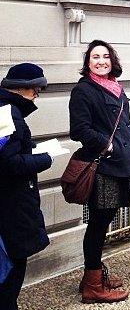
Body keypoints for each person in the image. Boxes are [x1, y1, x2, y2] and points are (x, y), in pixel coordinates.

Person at [68, 40, 130, 303]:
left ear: (113, 61)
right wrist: (107, 145)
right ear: (87, 62)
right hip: (103, 166)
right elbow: (79, 129)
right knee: (98, 225)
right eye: (95, 56)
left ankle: (94, 274)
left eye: (106, 56)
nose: (101, 61)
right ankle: (93, 285)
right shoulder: (84, 91)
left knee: (104, 222)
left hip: (120, 163)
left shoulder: (115, 87)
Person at [0, 64, 52, 310]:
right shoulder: (8, 113)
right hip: (11, 203)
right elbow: (8, 164)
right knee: (13, 266)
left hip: (9, 202)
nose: (37, 95)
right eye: (36, 90)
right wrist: (45, 158)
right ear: (22, 88)